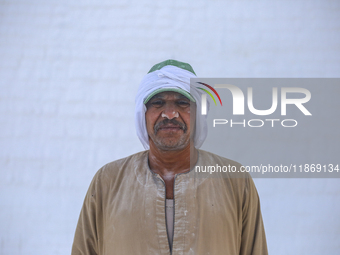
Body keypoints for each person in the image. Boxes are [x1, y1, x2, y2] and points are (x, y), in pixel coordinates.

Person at [71, 60, 268, 255]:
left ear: (198, 113)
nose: (170, 114)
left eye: (183, 103)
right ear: (143, 113)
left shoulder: (234, 181)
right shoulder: (108, 182)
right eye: (158, 103)